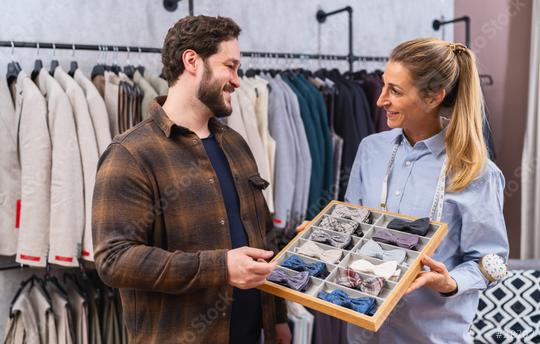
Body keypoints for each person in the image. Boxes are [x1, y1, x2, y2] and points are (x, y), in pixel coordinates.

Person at [92, 15, 291, 344]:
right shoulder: (131, 154)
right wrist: (220, 267)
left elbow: (263, 237)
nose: (238, 81)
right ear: (192, 61)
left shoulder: (236, 144)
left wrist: (276, 318)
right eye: (230, 66)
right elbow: (114, 260)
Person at [299, 38, 509, 343]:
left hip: (429, 336)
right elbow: (353, 230)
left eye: (395, 91)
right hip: (363, 333)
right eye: (383, 86)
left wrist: (450, 282)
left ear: (433, 96)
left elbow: (493, 262)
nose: (380, 100)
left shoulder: (476, 173)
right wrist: (320, 237)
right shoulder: (371, 149)